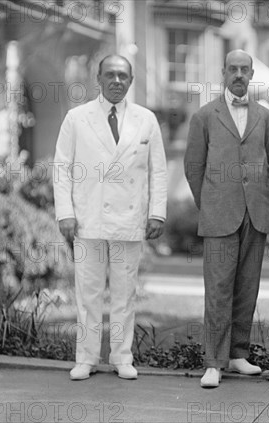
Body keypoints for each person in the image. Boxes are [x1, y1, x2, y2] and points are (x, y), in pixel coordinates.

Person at [53, 55, 168, 381]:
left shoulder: (146, 119)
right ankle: (86, 358)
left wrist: (156, 212)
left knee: (124, 294)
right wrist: (65, 213)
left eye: (123, 75)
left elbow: (158, 171)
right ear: (98, 79)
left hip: (129, 221)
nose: (116, 81)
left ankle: (122, 357)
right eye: (110, 75)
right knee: (87, 295)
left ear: (131, 80)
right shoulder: (77, 118)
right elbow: (61, 168)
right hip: (88, 219)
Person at [184, 50, 269, 388]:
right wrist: (209, 202)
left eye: (244, 69)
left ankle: (238, 354)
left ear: (252, 74)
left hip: (256, 213)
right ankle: (214, 361)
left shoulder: (265, 117)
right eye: (232, 69)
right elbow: (193, 167)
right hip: (220, 214)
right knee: (218, 289)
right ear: (223, 72)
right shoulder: (205, 116)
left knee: (247, 288)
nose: (238, 74)